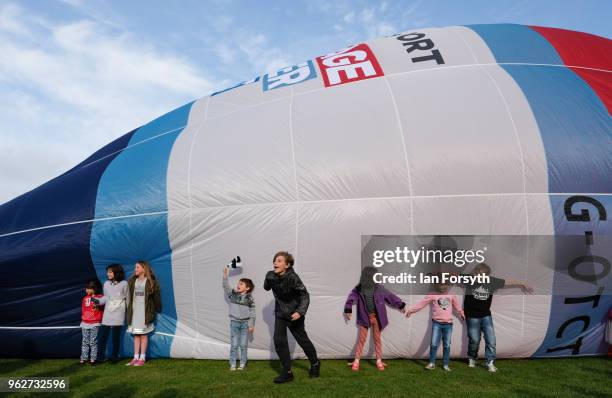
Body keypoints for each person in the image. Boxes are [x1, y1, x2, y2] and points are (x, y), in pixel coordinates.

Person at [462, 263, 532, 372]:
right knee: (474, 340)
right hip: (472, 316)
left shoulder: (491, 281)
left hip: (486, 315)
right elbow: (453, 276)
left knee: (491, 340)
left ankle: (490, 362)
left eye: (480, 275)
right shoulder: (468, 279)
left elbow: (507, 282)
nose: (477, 277)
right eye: (476, 274)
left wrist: (522, 283)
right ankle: (472, 357)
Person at [264, 251, 320, 383]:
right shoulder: (272, 275)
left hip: (295, 314)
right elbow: (266, 287)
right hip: (280, 314)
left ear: (287, 264)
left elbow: (305, 295)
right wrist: (268, 277)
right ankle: (287, 372)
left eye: (279, 261)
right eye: (274, 260)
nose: (275, 263)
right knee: (279, 341)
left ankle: (315, 363)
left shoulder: (293, 277)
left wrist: (300, 312)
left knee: (303, 341)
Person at [344, 267, 406, 371]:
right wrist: (348, 309)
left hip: (377, 318)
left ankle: (378, 360)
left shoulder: (379, 288)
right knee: (361, 340)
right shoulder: (359, 288)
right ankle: (356, 361)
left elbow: (390, 296)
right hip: (365, 318)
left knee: (377, 339)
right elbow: (351, 298)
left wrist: (400, 305)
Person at [406, 282, 464, 371]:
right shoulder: (432, 294)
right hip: (437, 323)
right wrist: (411, 310)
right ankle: (432, 363)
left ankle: (445, 364)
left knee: (447, 345)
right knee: (433, 344)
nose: (443, 286)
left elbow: (457, 306)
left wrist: (461, 313)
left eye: (445, 284)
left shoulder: (451, 295)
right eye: (440, 284)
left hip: (448, 324)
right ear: (436, 285)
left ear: (448, 285)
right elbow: (422, 304)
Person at [125, 260, 161, 367]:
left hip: (145, 312)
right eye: (135, 267)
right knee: (136, 335)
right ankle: (135, 357)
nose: (135, 269)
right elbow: (129, 296)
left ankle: (142, 357)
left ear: (143, 269)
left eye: (137, 267)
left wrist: (157, 308)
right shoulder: (132, 281)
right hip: (135, 311)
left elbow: (156, 296)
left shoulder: (150, 281)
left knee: (143, 334)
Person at [223, 267, 256, 370]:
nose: (238, 285)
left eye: (241, 284)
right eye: (238, 283)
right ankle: (232, 364)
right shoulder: (233, 294)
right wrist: (225, 276)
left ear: (247, 288)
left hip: (245, 324)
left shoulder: (249, 298)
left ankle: (243, 363)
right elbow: (225, 287)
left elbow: (252, 312)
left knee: (243, 345)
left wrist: (251, 325)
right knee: (234, 345)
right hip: (234, 323)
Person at [97, 264, 128, 363]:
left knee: (115, 338)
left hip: (118, 314)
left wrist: (125, 311)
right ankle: (100, 358)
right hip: (107, 314)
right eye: (108, 272)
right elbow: (106, 297)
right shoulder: (106, 283)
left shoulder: (124, 284)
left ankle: (114, 357)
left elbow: (128, 299)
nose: (108, 274)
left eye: (110, 272)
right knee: (102, 337)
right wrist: (97, 301)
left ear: (116, 272)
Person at [80, 279, 104, 365]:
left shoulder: (100, 297)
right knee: (85, 341)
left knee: (93, 341)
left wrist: (97, 305)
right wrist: (84, 317)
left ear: (94, 288)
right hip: (85, 323)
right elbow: (83, 309)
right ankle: (83, 358)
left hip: (95, 323)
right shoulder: (85, 298)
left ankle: (93, 359)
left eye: (88, 288)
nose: (86, 290)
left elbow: (101, 307)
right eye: (86, 288)